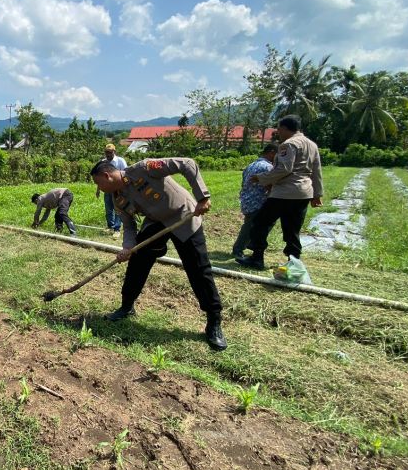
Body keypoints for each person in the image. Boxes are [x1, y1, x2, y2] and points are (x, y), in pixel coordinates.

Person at [90, 157, 227, 351]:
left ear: (106, 175)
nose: (98, 187)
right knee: (138, 261)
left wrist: (202, 197)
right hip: (156, 223)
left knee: (198, 268)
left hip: (184, 215)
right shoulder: (118, 198)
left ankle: (214, 321)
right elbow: (129, 227)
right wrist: (127, 248)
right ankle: (127, 306)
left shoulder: (144, 169)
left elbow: (187, 164)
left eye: (97, 183)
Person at [237, 116, 323, 270]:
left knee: (260, 223)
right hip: (303, 193)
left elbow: (284, 169)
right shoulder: (312, 145)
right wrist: (317, 194)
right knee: (292, 229)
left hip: (284, 192)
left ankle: (257, 258)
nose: (278, 133)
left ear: (284, 128)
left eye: (279, 129)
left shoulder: (288, 145)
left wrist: (261, 178)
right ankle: (293, 262)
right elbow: (316, 171)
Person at [232, 144, 278, 258]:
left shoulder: (251, 165)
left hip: (247, 200)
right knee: (250, 227)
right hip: (258, 201)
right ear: (271, 152)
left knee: (250, 225)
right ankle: (238, 249)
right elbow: (269, 186)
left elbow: (244, 183)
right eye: (277, 155)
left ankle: (243, 247)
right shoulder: (268, 167)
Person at [95, 143, 128, 238]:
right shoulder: (103, 162)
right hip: (107, 190)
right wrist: (98, 189)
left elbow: (125, 174)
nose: (108, 154)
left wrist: (125, 188)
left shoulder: (120, 161)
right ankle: (110, 226)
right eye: (106, 152)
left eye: (110, 152)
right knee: (108, 208)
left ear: (114, 151)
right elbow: (100, 178)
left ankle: (117, 229)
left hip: (118, 189)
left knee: (117, 209)